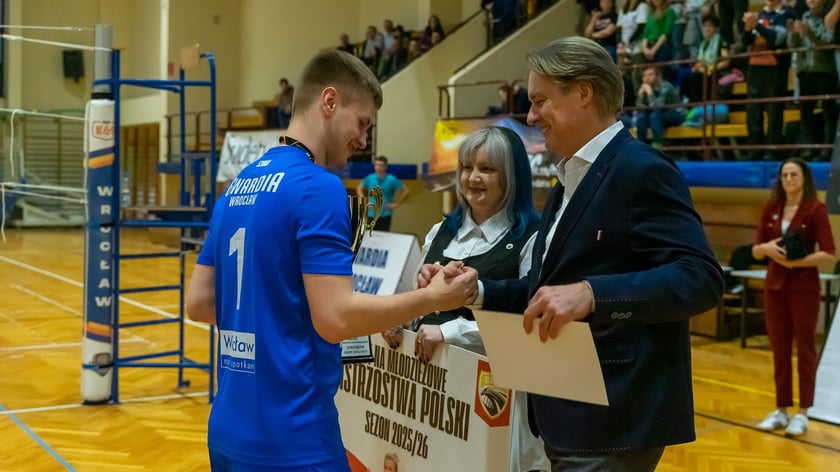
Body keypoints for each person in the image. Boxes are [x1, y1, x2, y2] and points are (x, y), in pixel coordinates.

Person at [420, 36, 724, 471]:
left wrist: (592, 294)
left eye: (540, 101)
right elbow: (546, 292)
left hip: (614, 416)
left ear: (583, 92)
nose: (530, 117)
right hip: (565, 411)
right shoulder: (566, 183)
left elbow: (700, 277)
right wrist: (476, 291)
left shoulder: (642, 169)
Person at [185, 50, 477, 472]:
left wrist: (274, 319)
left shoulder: (237, 185)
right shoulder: (318, 187)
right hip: (295, 438)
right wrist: (433, 298)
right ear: (329, 101)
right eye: (362, 123)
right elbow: (335, 318)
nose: (363, 140)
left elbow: (198, 304)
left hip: (227, 431)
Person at [382, 126, 547, 472]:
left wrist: (452, 332)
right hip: (431, 395)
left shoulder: (534, 237)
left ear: (512, 176)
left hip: (491, 399)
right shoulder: (440, 231)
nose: (473, 178)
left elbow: (527, 320)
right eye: (466, 167)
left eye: (487, 169)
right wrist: (403, 319)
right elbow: (419, 302)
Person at [751, 158, 835, 436]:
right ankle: (781, 410)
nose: (788, 179)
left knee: (805, 348)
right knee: (780, 349)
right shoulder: (772, 208)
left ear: (804, 178)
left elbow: (829, 253)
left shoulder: (815, 210)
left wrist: (796, 263)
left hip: (804, 288)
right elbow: (755, 250)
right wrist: (766, 248)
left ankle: (803, 412)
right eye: (784, 175)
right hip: (775, 288)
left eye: (793, 174)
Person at [742, 0, 793, 161]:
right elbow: (745, 42)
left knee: (774, 111)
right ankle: (754, 150)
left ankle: (773, 150)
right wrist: (748, 28)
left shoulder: (786, 14)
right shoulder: (758, 14)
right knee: (753, 111)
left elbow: (777, 39)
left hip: (775, 68)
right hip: (754, 67)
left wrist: (756, 25)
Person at [635, 64, 686, 150]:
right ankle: (640, 147)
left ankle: (657, 145)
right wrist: (640, 96)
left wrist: (650, 93)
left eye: (650, 75)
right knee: (641, 118)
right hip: (659, 115)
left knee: (654, 116)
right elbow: (640, 109)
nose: (647, 78)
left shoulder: (665, 86)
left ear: (657, 76)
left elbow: (657, 107)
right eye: (644, 75)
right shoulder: (645, 88)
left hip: (676, 114)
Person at [356, 156, 409, 231]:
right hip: (371, 214)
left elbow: (406, 191)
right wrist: (364, 202)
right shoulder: (370, 178)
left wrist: (397, 204)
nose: (378, 167)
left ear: (386, 167)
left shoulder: (392, 179)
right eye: (376, 165)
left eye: (381, 165)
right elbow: (359, 188)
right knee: (368, 235)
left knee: (384, 236)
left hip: (385, 215)